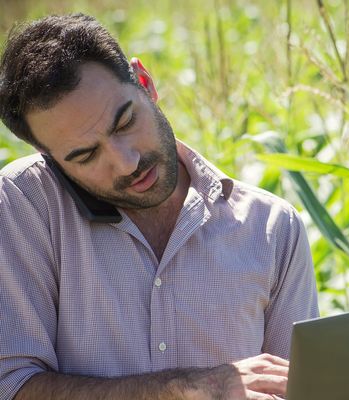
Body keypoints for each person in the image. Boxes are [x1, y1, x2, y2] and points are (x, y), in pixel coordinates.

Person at [0, 13, 318, 400]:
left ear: (146, 83)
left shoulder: (272, 228)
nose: (126, 162)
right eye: (85, 156)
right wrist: (188, 389)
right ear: (48, 157)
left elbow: (300, 390)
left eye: (125, 122)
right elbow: (11, 386)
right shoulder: (23, 205)